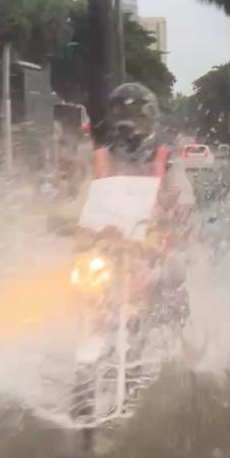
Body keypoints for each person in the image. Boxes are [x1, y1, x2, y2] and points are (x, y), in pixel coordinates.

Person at [89, 82, 195, 322]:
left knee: (174, 272)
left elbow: (181, 189)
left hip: (153, 240)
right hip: (111, 241)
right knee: (83, 282)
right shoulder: (102, 155)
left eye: (136, 116)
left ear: (150, 118)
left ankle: (172, 330)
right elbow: (83, 191)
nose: (129, 123)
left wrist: (181, 209)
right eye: (122, 115)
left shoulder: (165, 156)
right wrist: (64, 216)